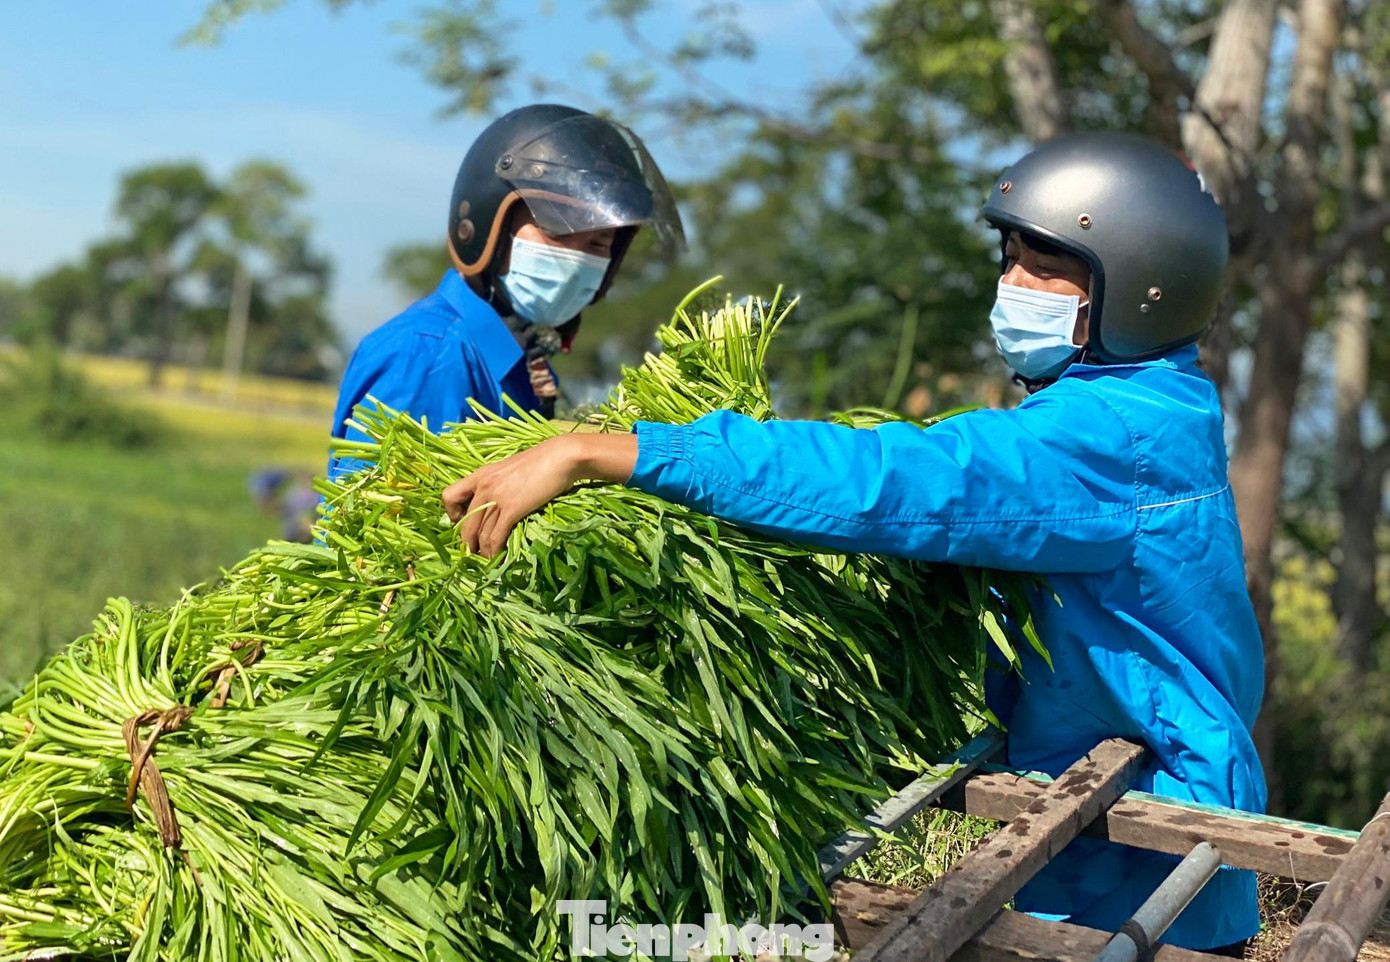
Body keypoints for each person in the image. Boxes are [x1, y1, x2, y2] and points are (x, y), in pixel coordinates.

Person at [439, 132, 1267, 951]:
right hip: (1114, 838)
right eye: (1010, 256)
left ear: (1146, 289)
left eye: (1048, 268)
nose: (1014, 284)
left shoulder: (1109, 441)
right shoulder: (1155, 406)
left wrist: (623, 452)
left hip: (1144, 873)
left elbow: (900, 479)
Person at [328, 103, 684, 479]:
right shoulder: (427, 356)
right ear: (488, 227)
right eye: (559, 231)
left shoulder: (522, 365)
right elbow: (383, 523)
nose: (578, 259)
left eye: (598, 244)